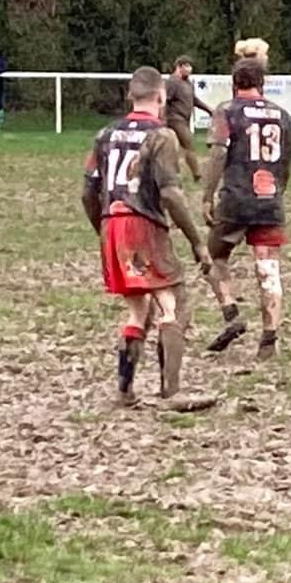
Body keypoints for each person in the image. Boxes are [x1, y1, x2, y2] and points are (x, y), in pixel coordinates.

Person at [81, 66, 215, 410]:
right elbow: (170, 194)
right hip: (143, 224)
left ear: (130, 95)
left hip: (112, 223)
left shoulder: (105, 134)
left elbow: (88, 193)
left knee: (138, 307)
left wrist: (104, 229)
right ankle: (172, 392)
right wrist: (197, 241)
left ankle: (125, 391)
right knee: (174, 303)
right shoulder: (162, 136)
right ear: (161, 96)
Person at [200, 55, 291, 359]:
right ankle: (269, 338)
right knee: (268, 269)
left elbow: (218, 154)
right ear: (262, 83)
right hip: (270, 200)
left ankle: (231, 312)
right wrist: (279, 190)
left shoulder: (226, 111)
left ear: (234, 83)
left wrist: (207, 195)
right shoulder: (281, 115)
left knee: (213, 256)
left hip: (236, 200)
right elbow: (287, 159)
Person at [159, 56, 203, 181]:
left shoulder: (187, 83)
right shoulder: (172, 82)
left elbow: (194, 100)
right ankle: (197, 174)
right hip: (175, 119)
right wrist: (162, 118)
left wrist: (210, 110)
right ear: (179, 66)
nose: (190, 69)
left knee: (174, 149)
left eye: (190, 66)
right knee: (189, 144)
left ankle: (170, 172)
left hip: (185, 119)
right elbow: (165, 100)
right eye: (187, 66)